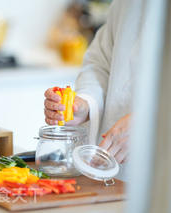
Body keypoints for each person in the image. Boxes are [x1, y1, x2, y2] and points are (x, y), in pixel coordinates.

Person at [44, 0, 141, 179]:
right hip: (113, 173)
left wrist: (150, 122)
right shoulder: (125, 4)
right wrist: (86, 104)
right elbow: (100, 63)